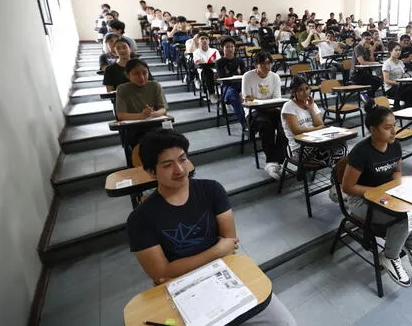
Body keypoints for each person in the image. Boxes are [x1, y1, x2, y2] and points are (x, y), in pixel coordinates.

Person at [126, 130, 297, 325]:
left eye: (183, 159)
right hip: (183, 290)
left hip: (224, 275)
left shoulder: (211, 190)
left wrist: (179, 267)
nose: (180, 169)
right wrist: (217, 250)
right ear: (151, 171)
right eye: (167, 165)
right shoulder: (140, 219)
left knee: (285, 323)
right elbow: (162, 273)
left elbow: (230, 243)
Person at [342, 106, 412, 287]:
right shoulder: (361, 152)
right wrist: (379, 193)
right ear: (373, 130)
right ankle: (389, 256)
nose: (393, 131)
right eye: (387, 127)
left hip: (385, 193)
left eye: (394, 125)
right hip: (361, 200)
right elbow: (348, 187)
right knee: (404, 216)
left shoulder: (395, 145)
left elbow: (397, 172)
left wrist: (398, 188)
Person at [281, 76, 347, 167]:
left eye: (307, 88)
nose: (305, 93)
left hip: (316, 142)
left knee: (341, 144)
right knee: (332, 155)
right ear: (293, 92)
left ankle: (338, 173)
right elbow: (296, 131)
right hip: (300, 148)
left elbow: (320, 124)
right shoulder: (288, 106)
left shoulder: (311, 104)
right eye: (301, 90)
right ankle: (338, 173)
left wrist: (311, 109)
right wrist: (316, 129)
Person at [242, 51, 287, 180]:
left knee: (285, 122)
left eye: (269, 63)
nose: (267, 67)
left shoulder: (275, 77)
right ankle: (271, 162)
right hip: (253, 112)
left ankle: (278, 159)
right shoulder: (248, 76)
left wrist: (259, 100)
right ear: (256, 65)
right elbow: (248, 100)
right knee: (266, 125)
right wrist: (258, 101)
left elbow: (277, 99)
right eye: (263, 63)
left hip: (271, 109)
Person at [216, 37, 247, 128]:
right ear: (223, 49)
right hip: (227, 87)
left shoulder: (239, 61)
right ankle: (245, 123)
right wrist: (236, 73)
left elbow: (245, 75)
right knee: (234, 98)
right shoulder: (219, 62)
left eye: (232, 46)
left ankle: (254, 120)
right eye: (227, 47)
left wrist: (230, 73)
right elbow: (223, 77)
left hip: (241, 85)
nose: (230, 49)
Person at [382, 42, 412, 107]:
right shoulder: (387, 63)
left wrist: (407, 81)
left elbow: (403, 75)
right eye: (396, 50)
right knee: (410, 90)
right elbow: (386, 80)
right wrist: (399, 83)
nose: (398, 52)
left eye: (399, 50)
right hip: (391, 88)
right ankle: (408, 109)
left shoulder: (400, 62)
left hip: (402, 85)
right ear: (390, 51)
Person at [352, 31, 383, 97]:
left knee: (379, 80)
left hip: (366, 73)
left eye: (369, 39)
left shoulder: (367, 48)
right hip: (357, 75)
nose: (368, 41)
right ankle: (367, 96)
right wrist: (375, 63)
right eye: (366, 39)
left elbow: (372, 60)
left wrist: (371, 51)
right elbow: (362, 62)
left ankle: (369, 96)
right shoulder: (358, 48)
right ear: (362, 38)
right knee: (376, 82)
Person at [193, 33, 221, 103]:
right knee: (207, 70)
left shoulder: (215, 51)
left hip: (217, 73)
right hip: (203, 74)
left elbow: (219, 63)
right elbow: (200, 64)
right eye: (202, 39)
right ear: (198, 41)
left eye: (206, 39)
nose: (204, 40)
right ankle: (211, 93)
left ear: (209, 41)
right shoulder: (196, 52)